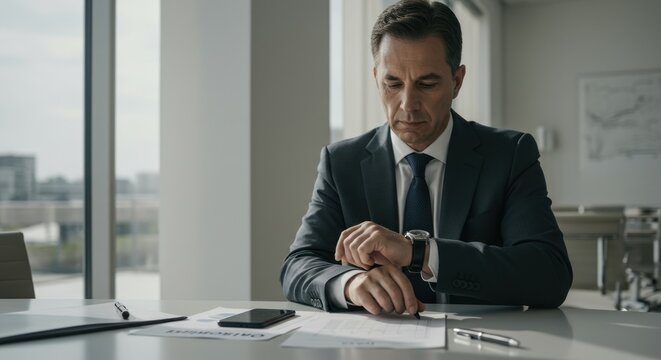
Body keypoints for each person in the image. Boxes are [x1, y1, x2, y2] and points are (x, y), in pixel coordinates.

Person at [280, 0, 572, 316]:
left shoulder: (510, 154)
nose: (408, 104)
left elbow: (550, 274)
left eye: (427, 84)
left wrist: (419, 252)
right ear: (377, 78)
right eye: (392, 83)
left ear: (457, 81)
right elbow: (298, 264)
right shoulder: (341, 162)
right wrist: (350, 283)